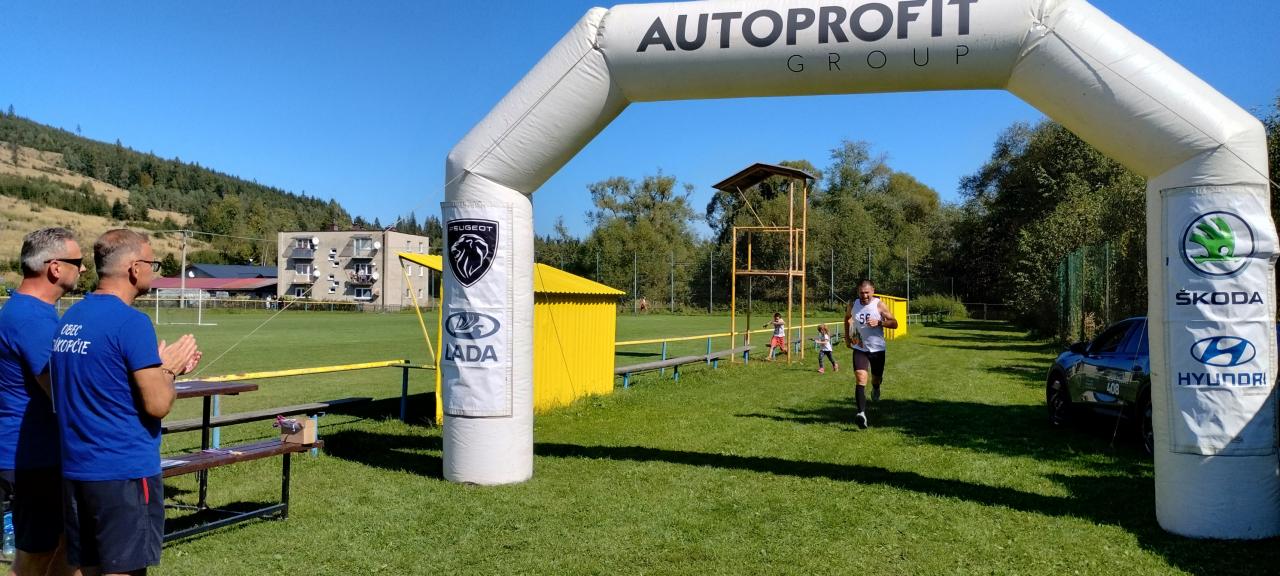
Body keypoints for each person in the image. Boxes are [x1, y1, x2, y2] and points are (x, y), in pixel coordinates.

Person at [50, 229, 201, 576]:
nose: (154, 271)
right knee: (124, 570)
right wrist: (169, 370)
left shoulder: (70, 318)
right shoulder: (132, 323)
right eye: (153, 264)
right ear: (135, 268)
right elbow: (158, 404)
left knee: (87, 567)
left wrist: (156, 368)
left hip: (77, 469)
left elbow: (105, 381)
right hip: (123, 472)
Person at [0, 228, 84, 576]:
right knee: (33, 559)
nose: (83, 269)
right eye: (78, 262)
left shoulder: (32, 311)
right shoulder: (31, 318)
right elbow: (61, 390)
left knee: (64, 548)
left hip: (40, 453)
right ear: (55, 267)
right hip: (32, 458)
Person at [844, 280, 898, 429]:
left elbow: (894, 323)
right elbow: (847, 318)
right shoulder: (853, 304)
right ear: (858, 292)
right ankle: (861, 414)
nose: (864, 296)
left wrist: (880, 323)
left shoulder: (879, 305)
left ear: (873, 291)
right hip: (860, 348)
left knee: (876, 378)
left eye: (867, 292)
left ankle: (876, 387)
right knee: (860, 378)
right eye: (861, 293)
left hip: (877, 349)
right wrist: (847, 338)